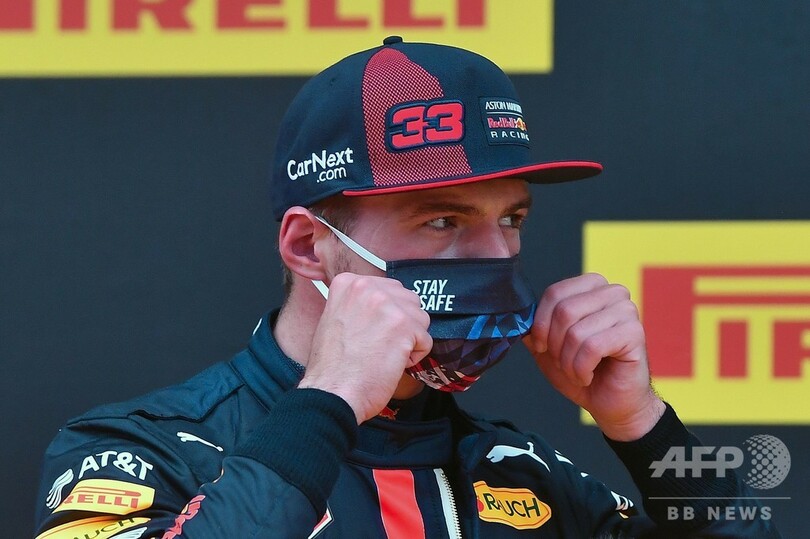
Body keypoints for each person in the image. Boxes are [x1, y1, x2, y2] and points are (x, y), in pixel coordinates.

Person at [34, 37, 780, 538]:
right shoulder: (139, 449)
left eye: (512, 218)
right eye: (443, 220)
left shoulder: (524, 474)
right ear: (309, 246)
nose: (496, 254)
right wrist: (327, 401)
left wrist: (646, 428)